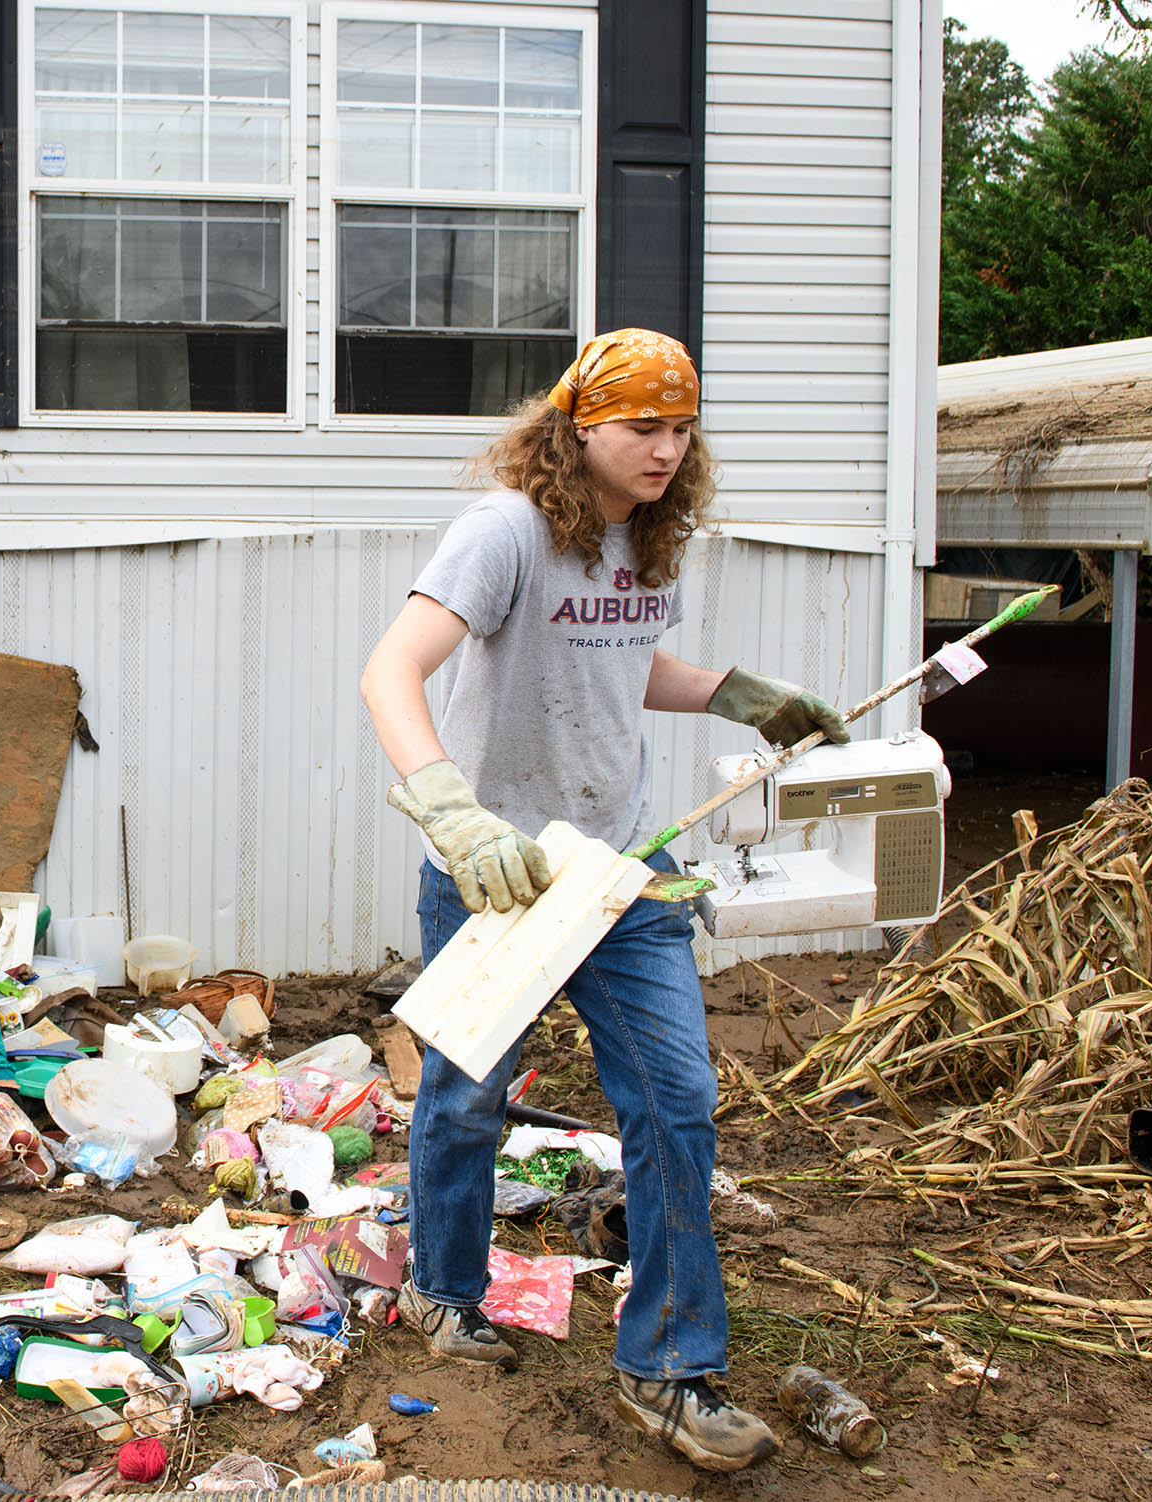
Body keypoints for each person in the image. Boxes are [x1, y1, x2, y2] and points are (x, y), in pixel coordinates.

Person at [357, 328, 847, 1474]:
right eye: (643, 427)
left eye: (682, 428)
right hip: (500, 873)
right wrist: (452, 810)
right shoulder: (506, 532)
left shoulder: (651, 536)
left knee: (677, 1100)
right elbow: (391, 668)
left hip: (619, 874)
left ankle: (669, 1367)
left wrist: (736, 691)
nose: (668, 449)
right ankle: (444, 1286)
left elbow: (626, 664)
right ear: (581, 423)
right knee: (467, 1098)